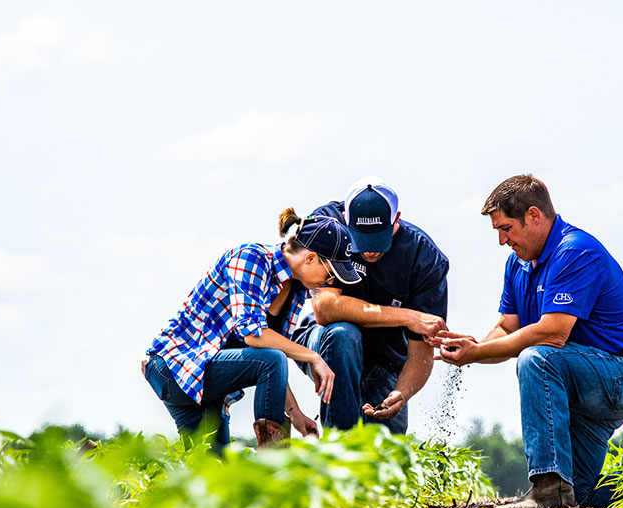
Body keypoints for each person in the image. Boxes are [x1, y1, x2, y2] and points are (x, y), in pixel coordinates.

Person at [436, 174, 623, 508]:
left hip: (622, 374)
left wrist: (477, 353)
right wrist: (474, 347)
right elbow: (507, 329)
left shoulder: (575, 251)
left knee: (536, 359)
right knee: (579, 498)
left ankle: (547, 487)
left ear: (535, 216)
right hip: (579, 384)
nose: (501, 240)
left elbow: (552, 334)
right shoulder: (517, 265)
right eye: (497, 230)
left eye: (506, 228)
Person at [142, 209, 360, 450]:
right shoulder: (251, 258)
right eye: (330, 273)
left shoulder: (295, 292)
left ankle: (98, 468)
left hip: (204, 382)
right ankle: (273, 463)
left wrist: (296, 413)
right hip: (177, 368)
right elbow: (252, 335)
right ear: (310, 259)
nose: (329, 282)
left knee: (212, 476)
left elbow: (270, 354)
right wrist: (313, 356)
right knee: (272, 359)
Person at [293, 177, 450, 434]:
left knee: (386, 455)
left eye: (378, 241)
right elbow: (325, 309)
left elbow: (422, 351)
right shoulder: (327, 226)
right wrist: (407, 316)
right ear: (346, 218)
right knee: (343, 335)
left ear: (395, 218)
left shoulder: (425, 258)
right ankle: (339, 451)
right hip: (322, 340)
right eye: (362, 240)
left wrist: (403, 391)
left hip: (386, 358)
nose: (371, 252)